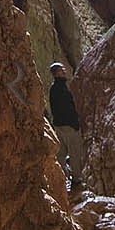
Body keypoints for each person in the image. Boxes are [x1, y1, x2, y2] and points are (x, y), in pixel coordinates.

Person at [48, 62, 84, 191]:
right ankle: (76, 180)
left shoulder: (53, 88)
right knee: (75, 153)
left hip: (58, 125)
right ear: (57, 73)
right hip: (69, 126)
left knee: (61, 154)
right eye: (62, 70)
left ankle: (62, 179)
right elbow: (68, 108)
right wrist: (75, 124)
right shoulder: (62, 89)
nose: (65, 71)